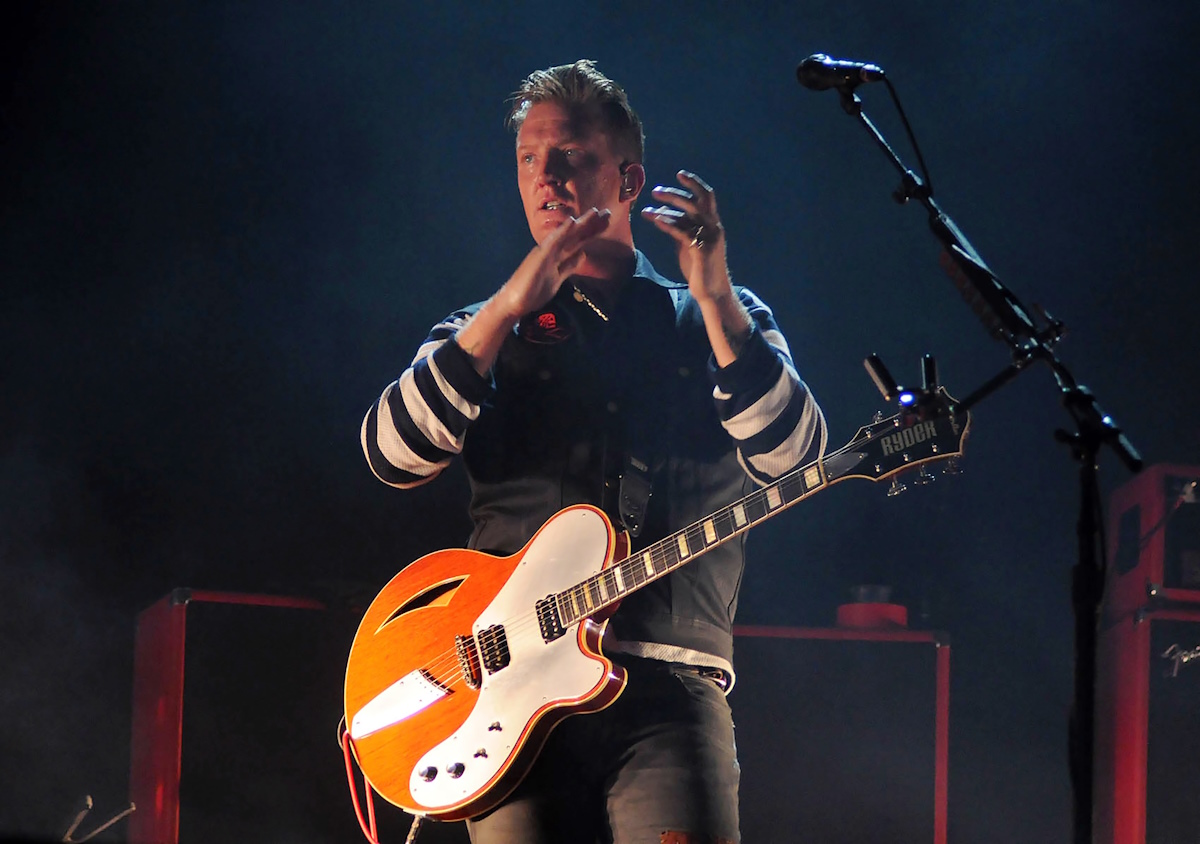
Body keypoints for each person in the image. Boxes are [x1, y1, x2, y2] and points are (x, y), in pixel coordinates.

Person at [361, 59, 827, 844]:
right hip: (506, 692)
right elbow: (392, 454)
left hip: (670, 683)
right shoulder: (481, 328)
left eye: (571, 156)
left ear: (628, 176)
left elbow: (795, 457)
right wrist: (510, 305)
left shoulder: (721, 314)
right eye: (528, 159)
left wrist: (714, 295)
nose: (546, 177)